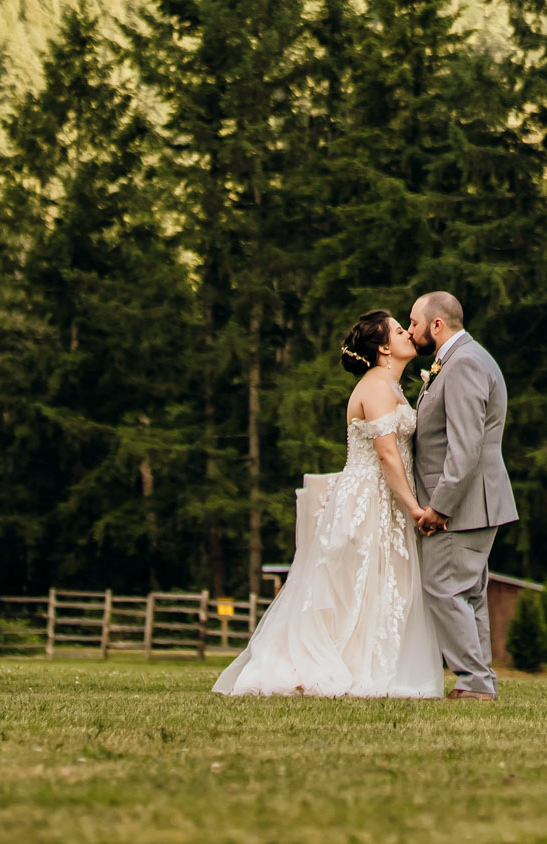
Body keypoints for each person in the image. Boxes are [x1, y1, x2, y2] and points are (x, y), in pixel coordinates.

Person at [211, 309, 443, 699]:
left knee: (383, 583)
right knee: (354, 583)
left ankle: (370, 662)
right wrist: (415, 507)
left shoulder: (393, 386)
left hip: (387, 498)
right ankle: (331, 667)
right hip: (368, 497)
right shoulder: (375, 387)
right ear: (385, 347)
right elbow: (387, 455)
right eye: (400, 330)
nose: (408, 334)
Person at [406, 289, 517, 702]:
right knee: (468, 594)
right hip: (473, 503)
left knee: (443, 588)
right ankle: (479, 682)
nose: (411, 330)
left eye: (414, 323)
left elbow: (465, 446)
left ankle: (473, 682)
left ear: (437, 325)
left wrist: (440, 507)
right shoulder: (458, 360)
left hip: (461, 505)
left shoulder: (465, 364)